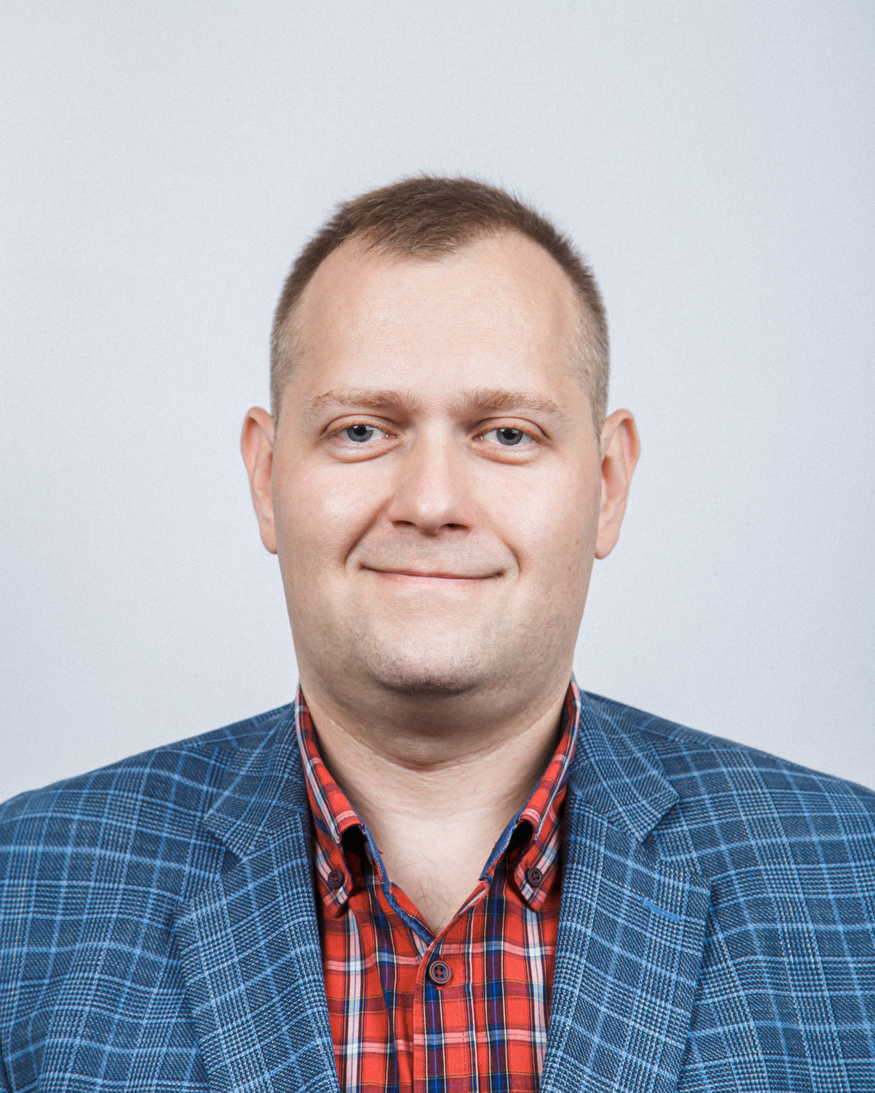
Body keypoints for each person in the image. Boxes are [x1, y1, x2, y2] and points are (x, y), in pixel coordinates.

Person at [1, 177, 873, 1093]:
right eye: (361, 430)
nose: (429, 501)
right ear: (266, 475)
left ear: (608, 483)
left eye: (506, 434)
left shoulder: (852, 879)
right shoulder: (24, 892)